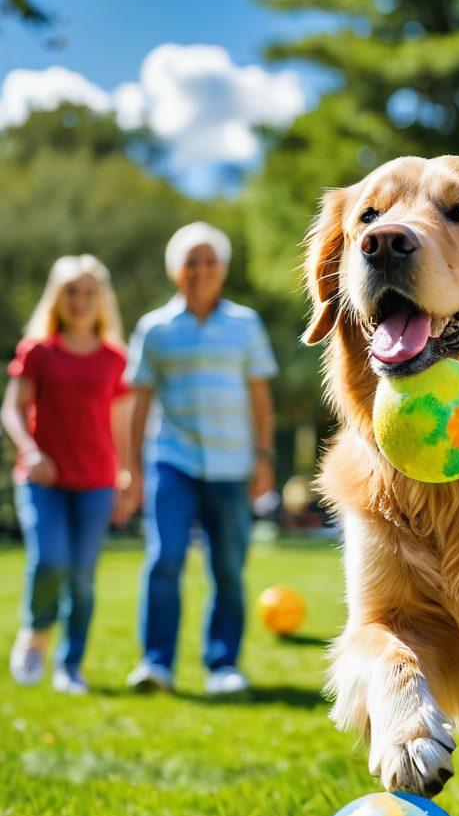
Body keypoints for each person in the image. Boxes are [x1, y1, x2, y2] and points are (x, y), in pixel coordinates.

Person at [122, 222, 277, 695]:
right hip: (173, 460)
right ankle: (156, 664)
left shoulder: (245, 325)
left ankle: (223, 666)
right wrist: (131, 468)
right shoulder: (154, 329)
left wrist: (264, 459)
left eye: (210, 261)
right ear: (175, 270)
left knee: (228, 569)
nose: (201, 269)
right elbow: (140, 403)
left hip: (233, 466)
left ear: (223, 269)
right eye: (191, 261)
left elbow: (260, 397)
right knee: (164, 560)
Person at [2, 255, 131, 693]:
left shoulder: (115, 359)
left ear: (101, 300)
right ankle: (34, 634)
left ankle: (70, 666)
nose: (79, 301)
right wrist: (30, 450)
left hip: (96, 481)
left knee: (82, 577)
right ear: (57, 299)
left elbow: (121, 425)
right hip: (44, 481)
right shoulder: (38, 351)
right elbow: (12, 409)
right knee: (50, 561)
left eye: (88, 293)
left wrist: (126, 475)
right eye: (71, 292)